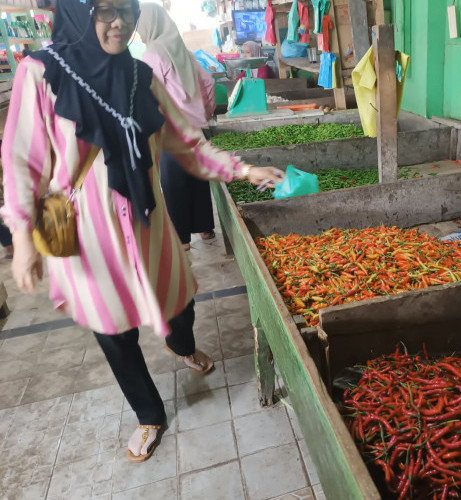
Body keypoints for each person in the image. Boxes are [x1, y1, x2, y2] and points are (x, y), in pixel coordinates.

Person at [1, 0, 283, 463]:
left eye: (127, 10)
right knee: (113, 330)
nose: (119, 22)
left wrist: (243, 169)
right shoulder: (42, 74)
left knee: (181, 296)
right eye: (105, 10)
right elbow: (22, 161)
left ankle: (182, 344)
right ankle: (149, 414)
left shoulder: (140, 76)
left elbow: (187, 142)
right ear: (78, 11)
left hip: (147, 220)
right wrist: (24, 235)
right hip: (85, 231)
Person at [137, 3, 217, 250]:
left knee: (174, 184)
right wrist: (205, 112)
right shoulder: (186, 52)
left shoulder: (151, 55)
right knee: (198, 177)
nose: (139, 32)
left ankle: (182, 239)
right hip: (195, 129)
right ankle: (205, 229)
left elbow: (150, 96)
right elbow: (209, 82)